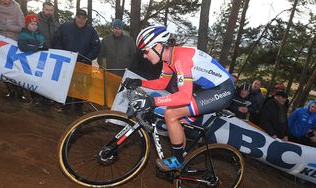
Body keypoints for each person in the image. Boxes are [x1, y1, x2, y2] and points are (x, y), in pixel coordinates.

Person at [123, 25, 234, 171]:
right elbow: (163, 82)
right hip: (207, 89)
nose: (144, 55)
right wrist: (141, 82)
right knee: (176, 120)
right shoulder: (169, 59)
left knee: (171, 114)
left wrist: (153, 101)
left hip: (222, 90)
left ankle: (178, 160)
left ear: (157, 46)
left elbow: (184, 97)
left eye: (145, 51)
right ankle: (181, 159)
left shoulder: (180, 58)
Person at [52, 9, 100, 114]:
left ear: (86, 19)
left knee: (81, 86)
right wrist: (63, 55)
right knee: (66, 84)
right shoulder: (65, 27)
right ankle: (65, 106)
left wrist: (87, 58)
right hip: (67, 62)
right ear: (75, 17)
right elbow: (56, 40)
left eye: (83, 18)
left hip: (83, 63)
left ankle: (79, 108)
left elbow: (96, 46)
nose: (81, 20)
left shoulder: (91, 30)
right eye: (79, 17)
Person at [0, 0, 25, 100]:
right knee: (3, 67)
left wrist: (8, 27)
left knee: (15, 65)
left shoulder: (16, 7)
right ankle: (10, 91)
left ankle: (20, 92)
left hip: (14, 42)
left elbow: (22, 27)